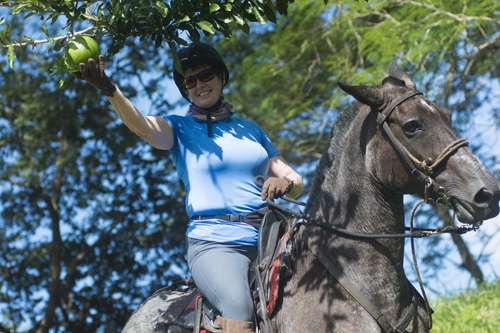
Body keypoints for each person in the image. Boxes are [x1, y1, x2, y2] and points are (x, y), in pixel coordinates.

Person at [76, 42, 303, 333]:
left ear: (222, 76)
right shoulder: (179, 129)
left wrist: (284, 182)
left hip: (272, 236)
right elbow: (142, 126)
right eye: (190, 81)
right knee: (238, 305)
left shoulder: (251, 129)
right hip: (216, 243)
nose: (199, 85)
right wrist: (109, 88)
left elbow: (294, 178)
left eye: (206, 75)